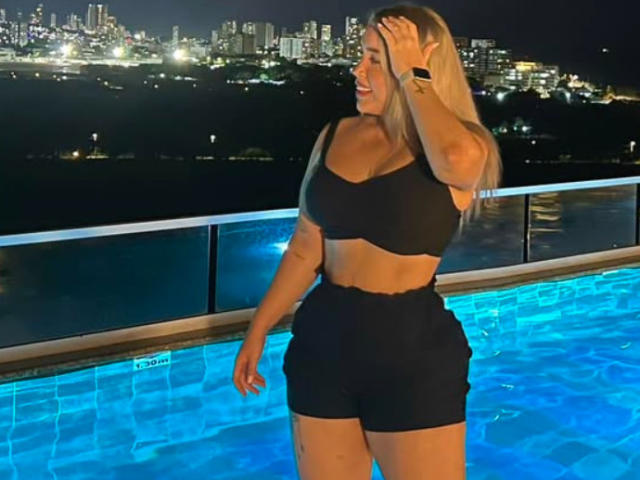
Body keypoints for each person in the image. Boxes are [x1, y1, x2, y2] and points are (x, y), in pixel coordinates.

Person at [233, 3, 502, 479]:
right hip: (323, 343)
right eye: (362, 55)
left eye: (376, 59)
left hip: (411, 353)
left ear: (418, 63)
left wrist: (411, 71)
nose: (357, 70)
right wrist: (259, 328)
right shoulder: (335, 135)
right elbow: (305, 247)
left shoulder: (462, 144)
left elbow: (455, 159)